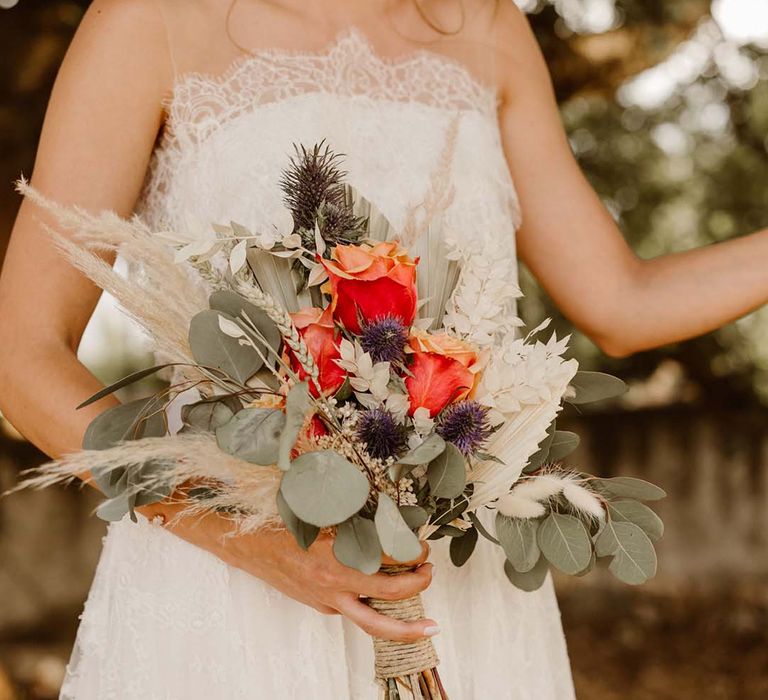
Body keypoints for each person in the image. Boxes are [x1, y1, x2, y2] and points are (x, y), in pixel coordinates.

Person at [1, 1, 767, 697]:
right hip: (230, 586)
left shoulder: (488, 27)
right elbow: (19, 351)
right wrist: (252, 540)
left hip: (453, 589)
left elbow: (622, 303)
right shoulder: (147, 20)